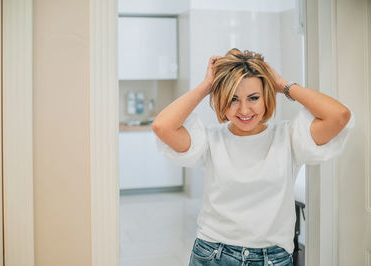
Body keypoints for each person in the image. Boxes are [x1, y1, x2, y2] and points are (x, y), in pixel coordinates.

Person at [151, 48, 354, 266]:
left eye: (254, 97)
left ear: (266, 96)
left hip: (272, 258)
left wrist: (281, 84)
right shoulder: (210, 139)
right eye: (233, 99)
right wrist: (206, 87)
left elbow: (339, 115)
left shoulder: (289, 137)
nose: (244, 109)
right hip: (213, 254)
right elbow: (163, 126)